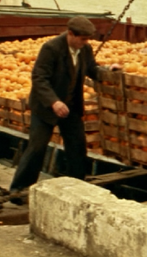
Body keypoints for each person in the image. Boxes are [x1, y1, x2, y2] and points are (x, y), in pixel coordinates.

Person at [9, 17, 105, 193]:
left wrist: (107, 71)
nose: (86, 42)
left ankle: (77, 186)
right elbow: (39, 77)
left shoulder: (85, 49)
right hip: (46, 107)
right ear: (71, 34)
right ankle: (19, 188)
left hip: (71, 106)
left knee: (77, 146)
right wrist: (54, 101)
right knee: (37, 147)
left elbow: (92, 69)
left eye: (87, 39)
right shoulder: (51, 48)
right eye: (83, 39)